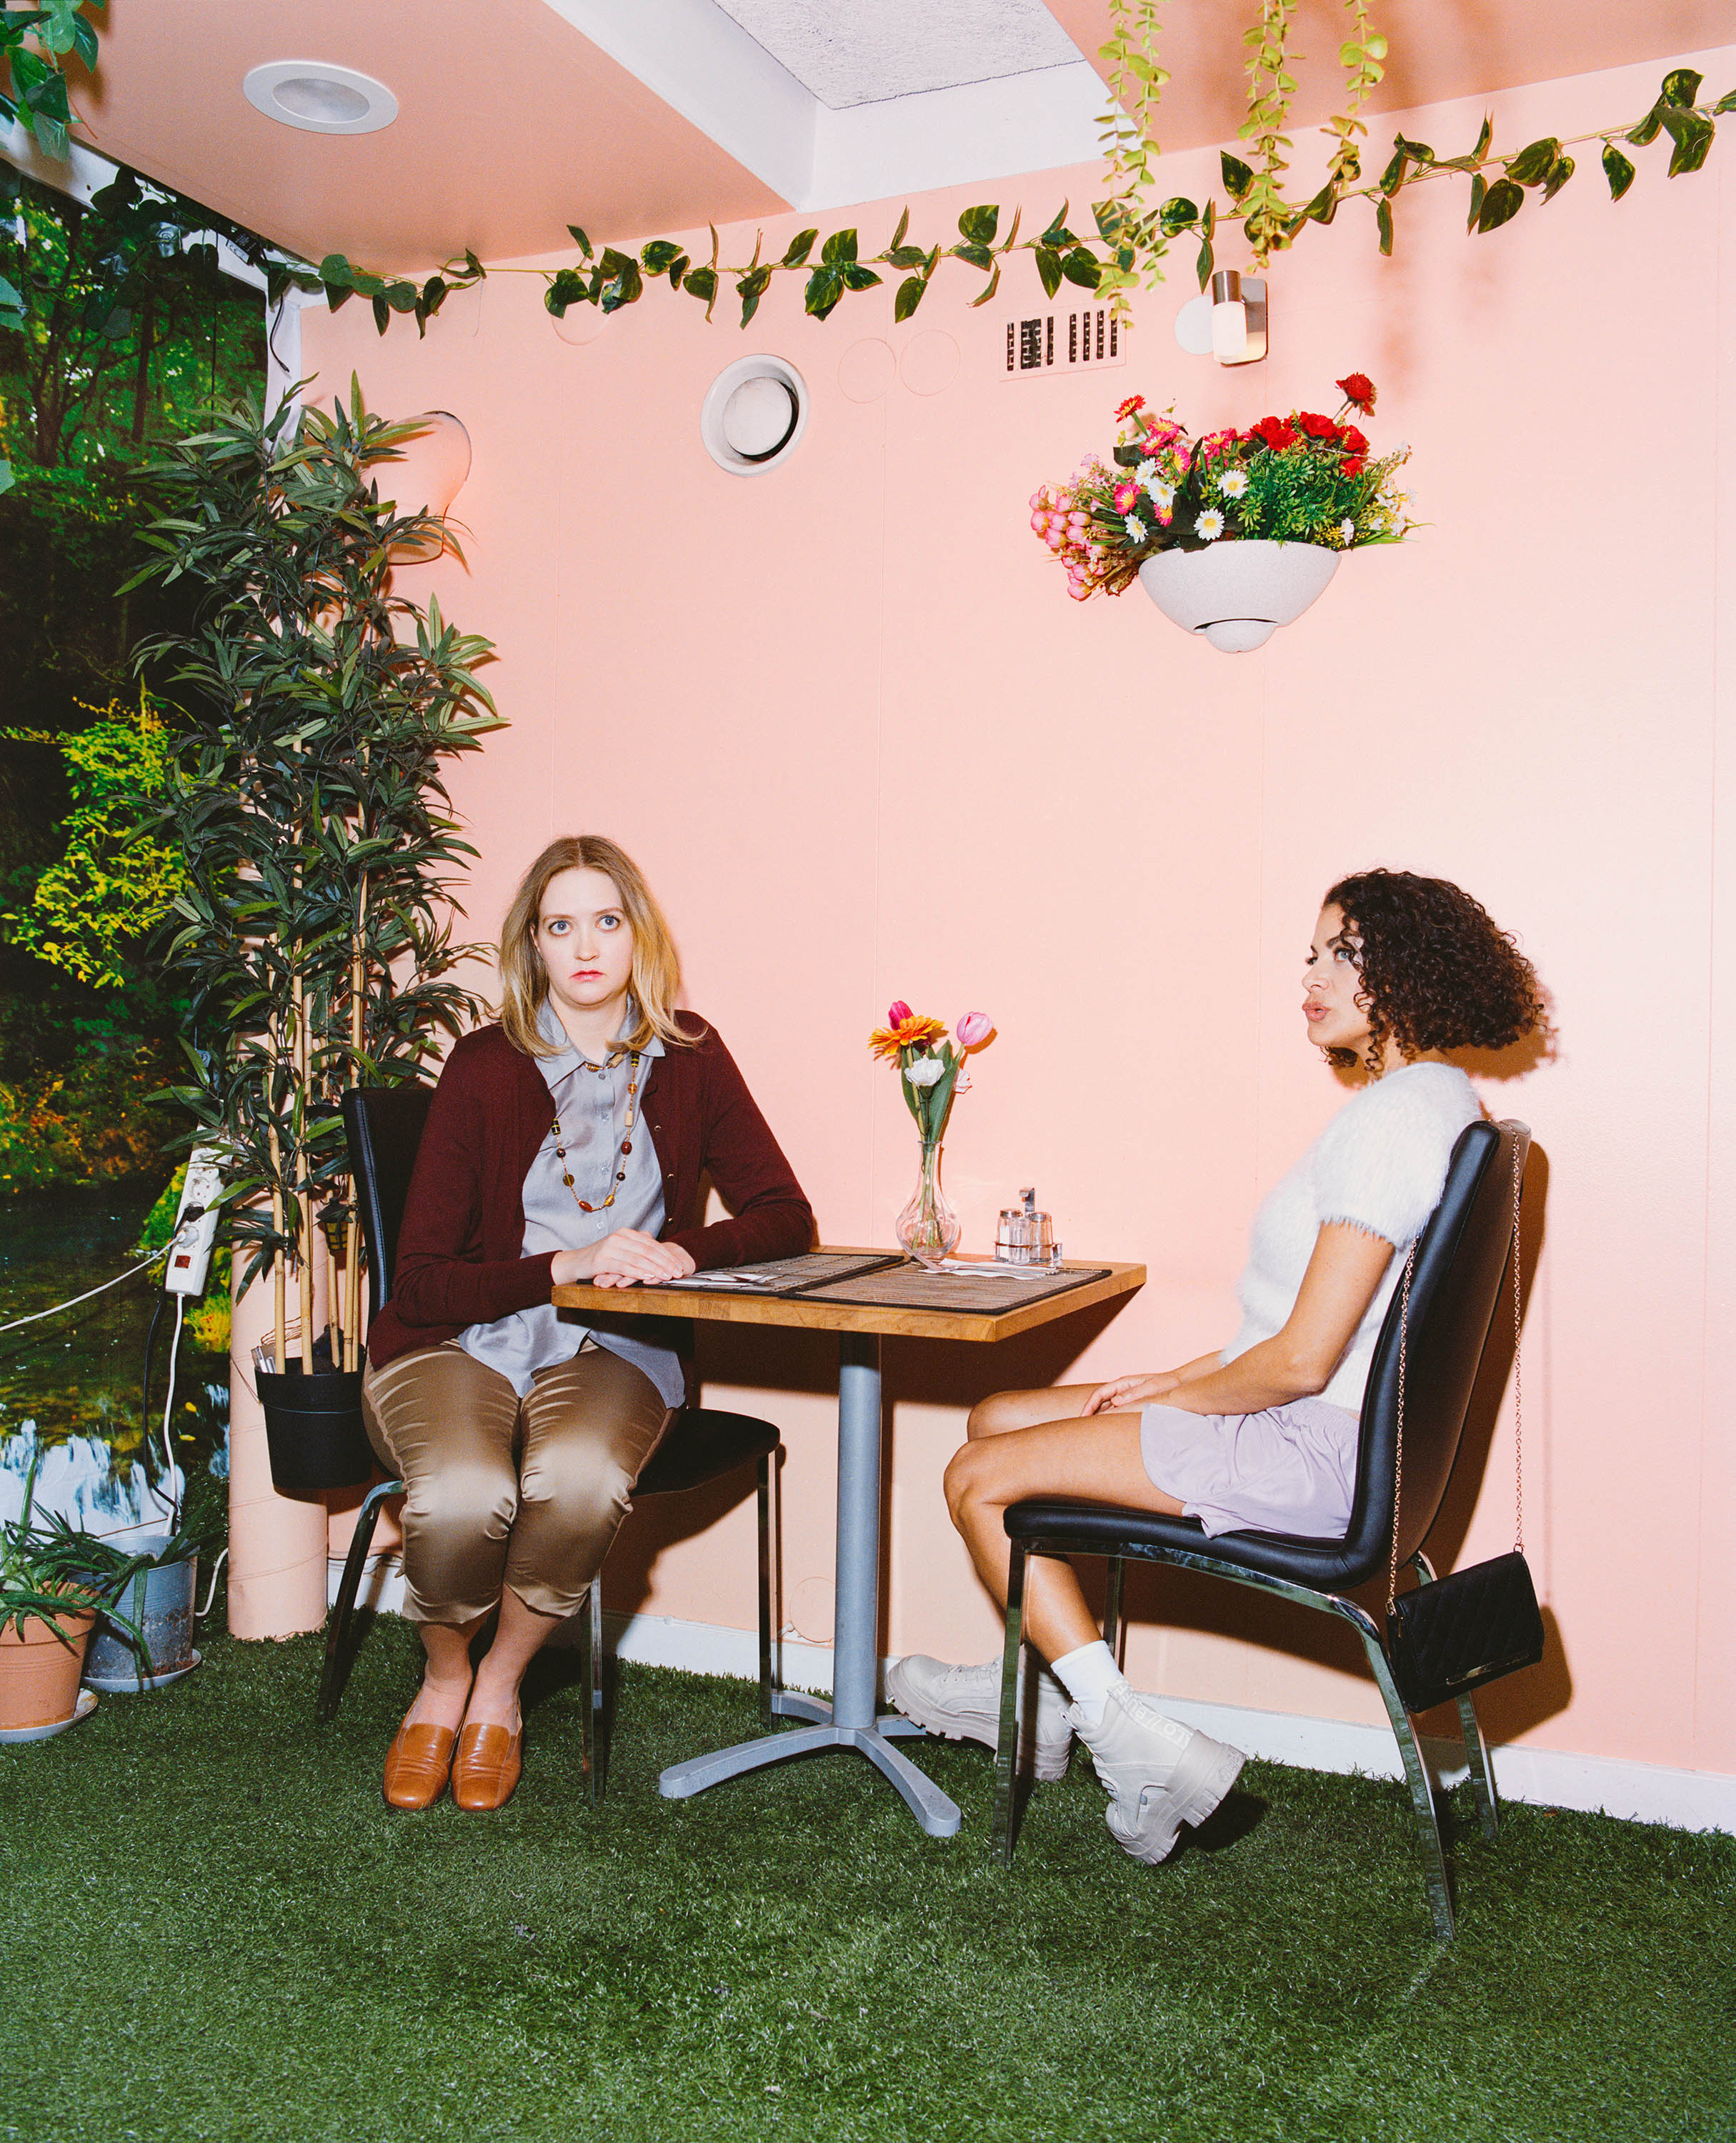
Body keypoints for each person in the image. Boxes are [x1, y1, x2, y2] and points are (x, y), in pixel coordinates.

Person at [887, 869, 1544, 1866]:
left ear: (1409, 972)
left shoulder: (1391, 1123)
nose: (1311, 977)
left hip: (1312, 1449)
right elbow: (1287, 1330)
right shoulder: (1434, 1102)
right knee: (1000, 1417)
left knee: (975, 1477)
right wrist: (1171, 1383)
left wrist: (1187, 1396)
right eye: (1311, 954)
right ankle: (1050, 1692)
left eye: (1343, 955)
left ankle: (1129, 1741)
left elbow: (1300, 1362)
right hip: (1326, 1431)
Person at [362, 834, 814, 1812]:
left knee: (578, 1479)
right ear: (532, 943)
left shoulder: (690, 1055)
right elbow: (422, 1283)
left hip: (619, 1346)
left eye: (605, 921)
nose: (584, 946)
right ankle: (442, 1678)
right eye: (559, 925)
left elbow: (786, 1214)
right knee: (462, 1492)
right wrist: (562, 1265)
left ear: (636, 933)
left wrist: (686, 1251)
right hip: (460, 1342)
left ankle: (500, 1683)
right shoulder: (484, 1066)